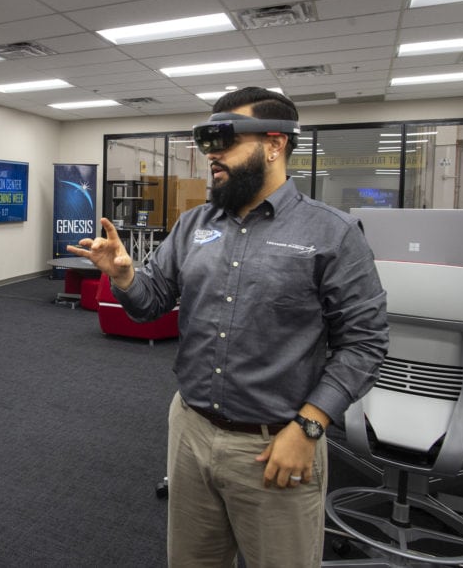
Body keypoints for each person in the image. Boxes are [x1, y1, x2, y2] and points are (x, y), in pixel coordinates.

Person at [69, 87, 389, 567]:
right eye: (206, 142)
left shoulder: (332, 233)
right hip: (191, 430)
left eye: (225, 140)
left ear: (275, 144)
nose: (212, 155)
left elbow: (364, 344)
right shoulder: (194, 224)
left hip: (277, 444)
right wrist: (124, 276)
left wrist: (309, 426)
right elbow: (151, 304)